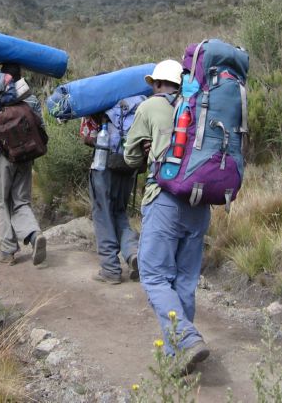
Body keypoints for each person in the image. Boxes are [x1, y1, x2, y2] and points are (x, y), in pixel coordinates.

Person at [123, 59, 211, 374]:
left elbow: (130, 155)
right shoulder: (202, 106)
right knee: (185, 280)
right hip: (200, 203)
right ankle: (179, 356)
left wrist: (147, 149)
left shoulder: (149, 108)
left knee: (155, 276)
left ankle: (185, 338)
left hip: (164, 202)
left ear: (157, 83)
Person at [81, 98, 143, 285]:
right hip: (128, 166)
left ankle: (110, 269)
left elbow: (87, 136)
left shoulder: (96, 104)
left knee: (103, 214)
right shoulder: (132, 104)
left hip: (104, 166)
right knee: (120, 212)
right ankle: (132, 253)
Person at [0, 64, 47, 267]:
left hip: (3, 156)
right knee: (21, 201)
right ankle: (34, 235)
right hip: (26, 156)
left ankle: (7, 250)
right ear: (20, 76)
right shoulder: (30, 98)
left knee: (2, 202)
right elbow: (41, 126)